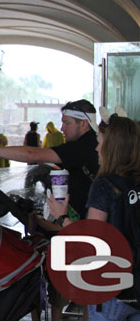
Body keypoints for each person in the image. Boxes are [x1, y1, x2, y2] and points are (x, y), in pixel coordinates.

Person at [0, 99, 100, 321]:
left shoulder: (85, 145)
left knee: (88, 292)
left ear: (84, 124)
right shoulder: (90, 144)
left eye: (67, 122)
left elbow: (33, 155)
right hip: (88, 226)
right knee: (89, 292)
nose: (61, 128)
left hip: (84, 228)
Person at [47, 111, 140, 321]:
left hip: (115, 290)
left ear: (113, 148)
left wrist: (62, 218)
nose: (96, 148)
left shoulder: (105, 186)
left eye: (99, 142)